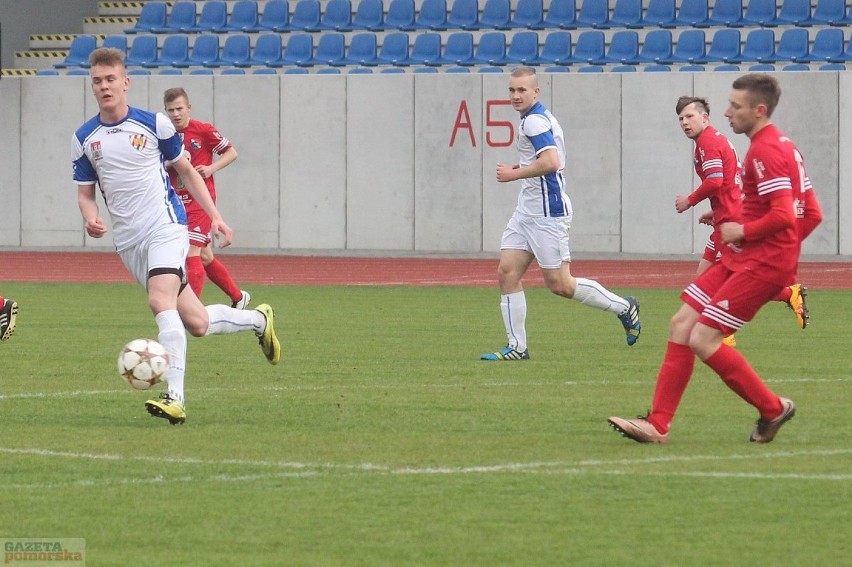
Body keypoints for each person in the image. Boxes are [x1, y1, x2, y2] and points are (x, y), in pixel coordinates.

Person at [608, 73, 823, 444]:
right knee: (681, 324)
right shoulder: (784, 145)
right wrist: (760, 236)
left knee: (703, 339)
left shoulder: (765, 151)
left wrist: (749, 236)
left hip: (758, 263)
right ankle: (657, 425)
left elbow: (785, 215)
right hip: (745, 258)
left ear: (759, 110)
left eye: (735, 107)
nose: (726, 112)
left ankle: (773, 409)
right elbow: (811, 213)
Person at [72, 48, 281, 426]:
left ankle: (175, 398)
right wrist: (91, 218)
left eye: (110, 79)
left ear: (125, 82)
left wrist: (216, 217)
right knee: (196, 322)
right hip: (129, 242)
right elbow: (86, 191)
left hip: (166, 226)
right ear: (93, 86)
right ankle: (257, 321)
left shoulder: (155, 124)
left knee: (159, 299)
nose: (104, 87)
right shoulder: (85, 137)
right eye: (97, 82)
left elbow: (186, 171)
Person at [481, 67, 641, 361]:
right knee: (507, 272)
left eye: (522, 90)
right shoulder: (534, 118)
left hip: (547, 213)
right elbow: (545, 162)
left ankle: (624, 306)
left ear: (536, 92)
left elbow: (551, 162)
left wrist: (512, 175)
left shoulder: (534, 122)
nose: (515, 96)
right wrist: (520, 170)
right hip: (526, 211)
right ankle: (517, 348)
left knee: (560, 285)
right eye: (511, 90)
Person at [163, 87, 250, 310]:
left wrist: (211, 168)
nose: (176, 114)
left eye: (179, 108)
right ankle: (239, 298)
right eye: (171, 110)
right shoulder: (164, 135)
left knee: (191, 252)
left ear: (188, 108)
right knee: (204, 256)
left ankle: (191, 310)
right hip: (176, 203)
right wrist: (170, 163)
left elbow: (231, 152)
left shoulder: (203, 130)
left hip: (201, 202)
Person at [672, 96, 743, 347]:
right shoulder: (713, 139)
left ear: (705, 117)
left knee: (731, 278)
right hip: (725, 216)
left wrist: (689, 200)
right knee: (704, 276)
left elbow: (714, 180)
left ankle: (725, 331)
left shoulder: (707, 141)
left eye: (689, 116)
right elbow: (730, 181)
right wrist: (716, 211)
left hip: (731, 222)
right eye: (680, 118)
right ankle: (791, 294)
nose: (684, 122)